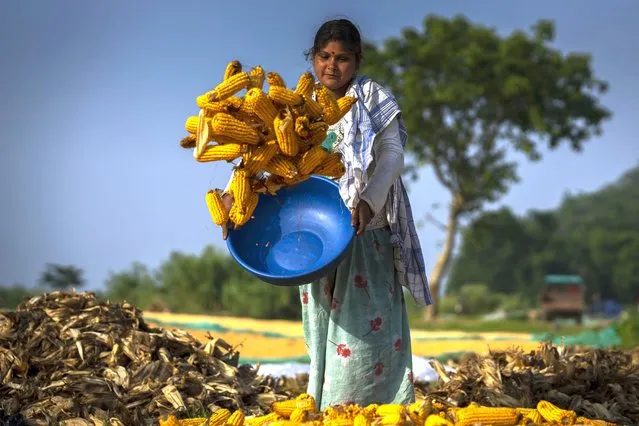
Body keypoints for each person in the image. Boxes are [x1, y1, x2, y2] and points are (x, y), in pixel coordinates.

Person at [221, 18, 432, 409]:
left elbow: (391, 154)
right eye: (324, 56)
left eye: (343, 59)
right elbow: (269, 161)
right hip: (314, 234)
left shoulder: (372, 98)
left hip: (364, 228)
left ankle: (373, 408)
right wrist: (236, 198)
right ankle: (326, 406)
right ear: (312, 56)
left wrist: (369, 198)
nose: (331, 66)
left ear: (357, 61)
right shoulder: (295, 103)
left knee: (364, 328)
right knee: (323, 328)